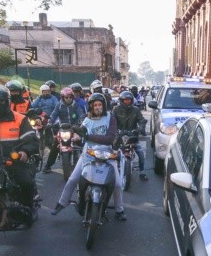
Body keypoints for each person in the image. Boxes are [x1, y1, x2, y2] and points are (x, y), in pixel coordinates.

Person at [51, 93, 126, 221]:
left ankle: (119, 209)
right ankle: (62, 203)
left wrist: (88, 136)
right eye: (95, 105)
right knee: (73, 179)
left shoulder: (110, 118)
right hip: (88, 153)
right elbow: (81, 136)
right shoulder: (86, 120)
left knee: (117, 184)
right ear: (91, 106)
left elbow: (110, 138)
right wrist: (75, 137)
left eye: (100, 104)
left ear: (104, 105)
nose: (97, 107)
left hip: (107, 154)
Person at [43, 87, 86, 173]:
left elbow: (81, 114)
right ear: (63, 98)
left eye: (70, 97)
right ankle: (48, 166)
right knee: (55, 146)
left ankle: (86, 164)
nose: (69, 99)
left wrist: (81, 120)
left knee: (82, 144)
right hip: (62, 129)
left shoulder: (75, 105)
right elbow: (53, 115)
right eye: (66, 97)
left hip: (74, 129)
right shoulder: (59, 105)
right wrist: (50, 122)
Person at [112, 91, 149, 181]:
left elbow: (141, 120)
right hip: (119, 135)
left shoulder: (136, 110)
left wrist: (141, 128)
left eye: (129, 100)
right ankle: (111, 170)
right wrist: (114, 130)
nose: (127, 101)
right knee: (111, 152)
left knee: (140, 153)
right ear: (121, 100)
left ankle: (142, 172)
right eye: (125, 100)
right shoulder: (116, 109)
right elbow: (112, 121)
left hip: (132, 135)